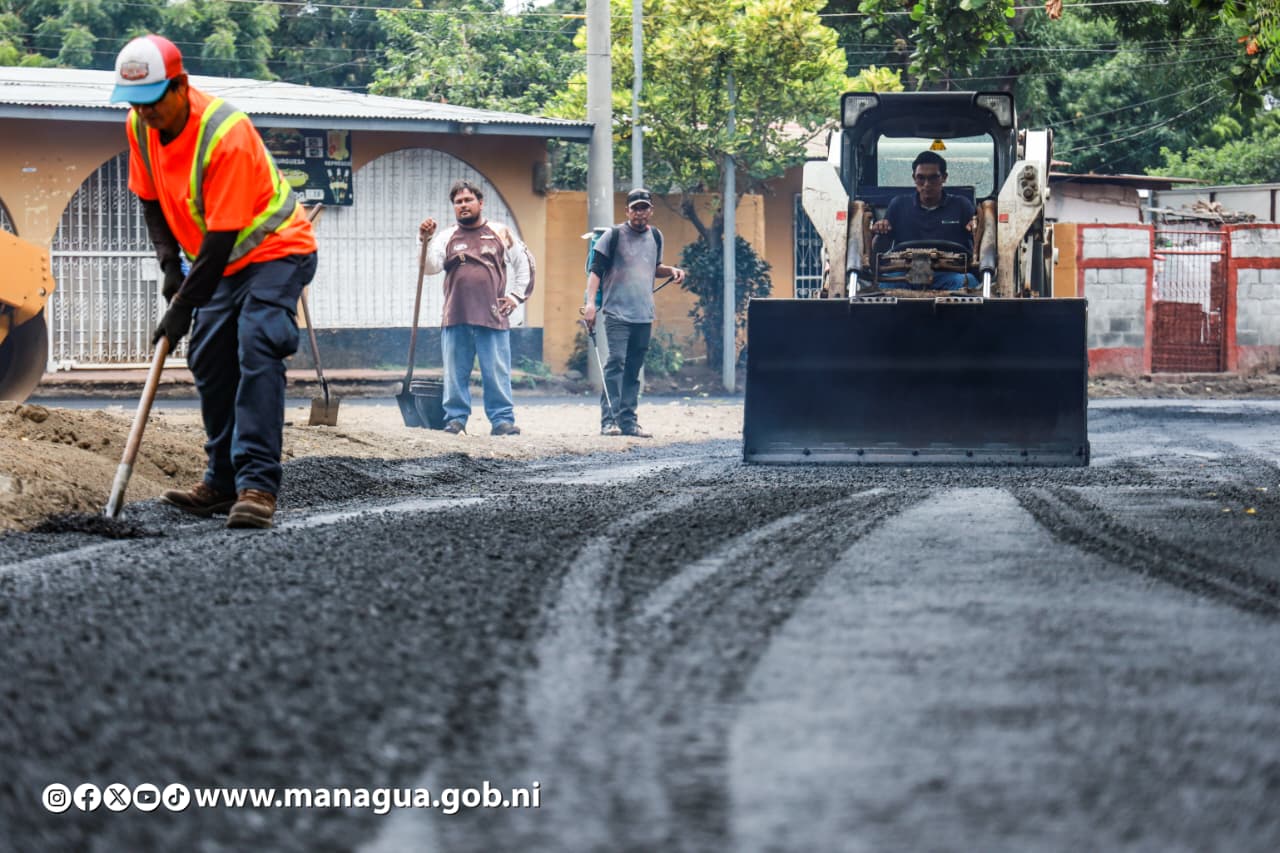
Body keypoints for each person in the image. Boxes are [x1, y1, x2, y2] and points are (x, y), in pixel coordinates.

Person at [111, 34, 318, 529]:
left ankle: (257, 486)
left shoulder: (226, 133)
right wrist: (169, 265)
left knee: (257, 343)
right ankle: (222, 481)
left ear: (181, 85)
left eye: (153, 100)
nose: (145, 112)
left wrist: (182, 306)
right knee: (208, 357)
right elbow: (150, 200)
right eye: (135, 103)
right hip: (222, 265)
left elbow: (223, 235)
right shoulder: (140, 127)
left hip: (276, 251)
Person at [418, 180, 534, 436]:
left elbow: (525, 263)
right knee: (455, 373)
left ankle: (502, 421)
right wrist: (424, 240)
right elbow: (429, 268)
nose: (463, 205)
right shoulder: (446, 236)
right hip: (455, 315)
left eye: (468, 200)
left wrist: (515, 297)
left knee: (496, 371)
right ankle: (455, 420)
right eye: (458, 202)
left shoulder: (500, 232)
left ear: (480, 203)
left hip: (492, 315)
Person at [581, 188, 686, 437]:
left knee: (633, 368)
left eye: (644, 208)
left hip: (643, 313)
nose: (640, 212)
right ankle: (609, 421)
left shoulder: (656, 236)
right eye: (635, 208)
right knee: (616, 362)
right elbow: (595, 271)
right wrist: (590, 304)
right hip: (616, 312)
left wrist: (671, 271)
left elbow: (653, 268)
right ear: (627, 211)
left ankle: (628, 422)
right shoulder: (613, 236)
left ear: (651, 210)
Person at [869, 150, 978, 291]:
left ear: (944, 177)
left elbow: (977, 241)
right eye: (921, 178)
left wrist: (975, 228)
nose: (927, 184)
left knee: (968, 282)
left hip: (949, 274)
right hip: (905, 274)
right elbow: (881, 248)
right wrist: (880, 231)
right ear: (914, 178)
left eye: (933, 178)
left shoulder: (961, 205)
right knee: (882, 288)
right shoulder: (898, 205)